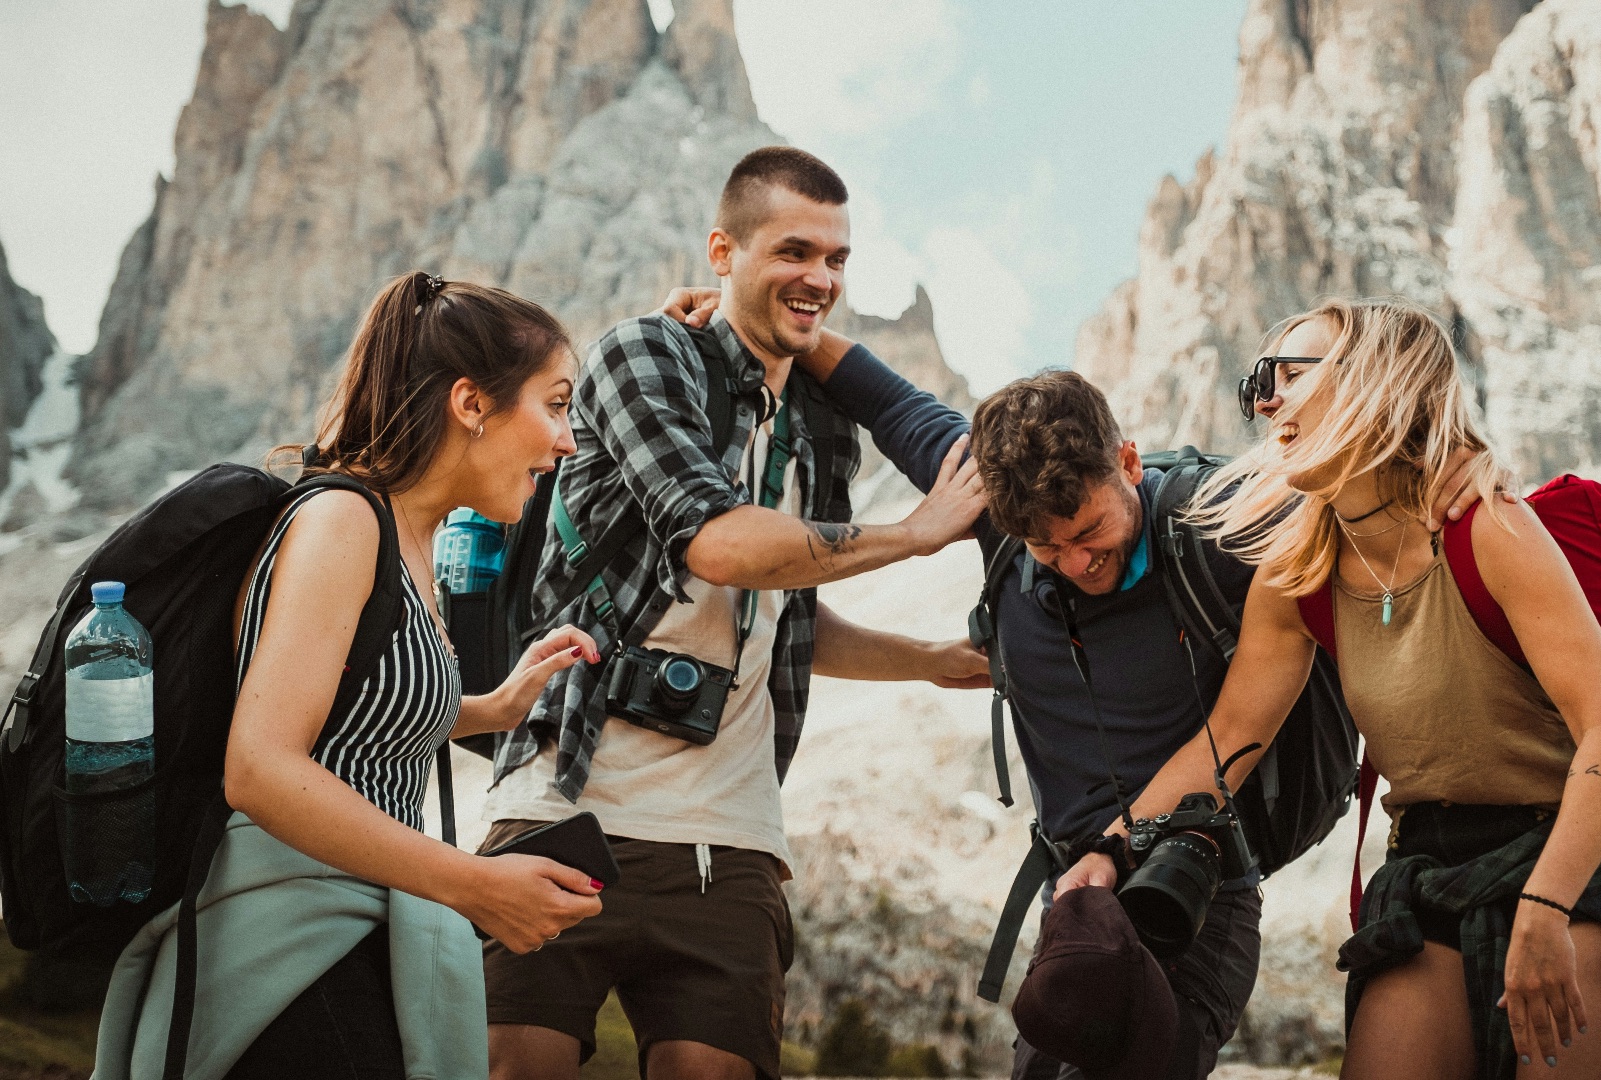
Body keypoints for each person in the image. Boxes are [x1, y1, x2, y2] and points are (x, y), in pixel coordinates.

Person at [652, 287, 1483, 1080]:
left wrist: (1459, 470)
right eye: (1048, 551)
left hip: (1194, 887)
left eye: (1092, 532)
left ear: (1127, 461)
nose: (1080, 565)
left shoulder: (1223, 524)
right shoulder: (996, 514)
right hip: (1076, 898)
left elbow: (1365, 483)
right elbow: (886, 398)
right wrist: (757, 317)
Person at [480, 147, 990, 1080]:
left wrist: (931, 660)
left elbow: (788, 616)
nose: (821, 278)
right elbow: (714, 542)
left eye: (838, 259)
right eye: (795, 251)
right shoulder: (645, 356)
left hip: (732, 838)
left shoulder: (825, 425)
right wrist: (914, 536)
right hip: (567, 800)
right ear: (723, 249)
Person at [1178, 298, 1601, 1079]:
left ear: (1375, 381)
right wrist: (1107, 850)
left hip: (1573, 848)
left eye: (1291, 374)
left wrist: (1548, 906)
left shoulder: (1488, 529)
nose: (1265, 400)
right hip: (1427, 860)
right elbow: (1226, 743)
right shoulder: (1297, 578)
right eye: (1262, 379)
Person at [95, 271, 607, 1080]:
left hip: (358, 928)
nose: (567, 439)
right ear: (471, 404)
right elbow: (259, 769)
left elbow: (353, 716)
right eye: (553, 403)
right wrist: (475, 886)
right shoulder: (343, 519)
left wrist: (492, 707)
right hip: (288, 949)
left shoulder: (408, 539)